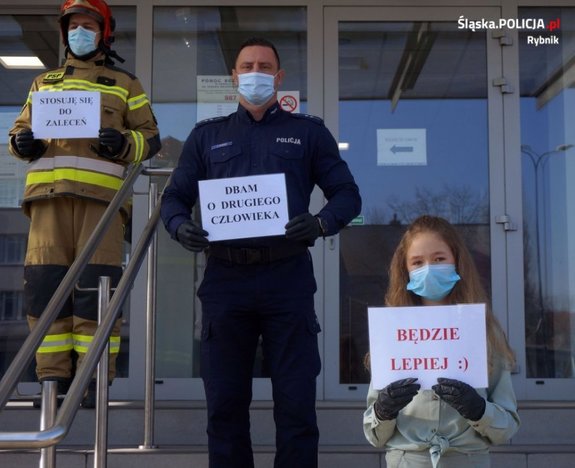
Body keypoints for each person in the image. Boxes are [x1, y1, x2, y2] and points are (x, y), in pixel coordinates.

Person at [161, 37, 361, 468]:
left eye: (264, 65)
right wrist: (181, 228)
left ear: (278, 76)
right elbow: (173, 199)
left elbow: (347, 194)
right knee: (225, 408)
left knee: (296, 407)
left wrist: (322, 222)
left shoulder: (308, 132)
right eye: (246, 64)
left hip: (286, 279)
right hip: (225, 282)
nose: (255, 72)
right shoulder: (206, 137)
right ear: (233, 76)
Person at [8, 0, 161, 408]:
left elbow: (152, 138)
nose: (80, 32)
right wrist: (22, 142)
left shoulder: (124, 83)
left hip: (102, 205)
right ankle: (51, 379)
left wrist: (126, 143)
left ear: (103, 33)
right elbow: (19, 131)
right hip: (48, 202)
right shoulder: (44, 83)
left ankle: (93, 378)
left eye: (88, 25)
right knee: (45, 289)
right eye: (73, 25)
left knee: (97, 291)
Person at [363, 215, 520, 468]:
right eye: (417, 262)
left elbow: (507, 427)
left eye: (439, 259)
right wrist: (383, 410)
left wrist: (479, 410)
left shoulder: (484, 332)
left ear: (457, 261)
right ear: (406, 270)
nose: (429, 268)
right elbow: (374, 436)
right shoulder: (390, 334)